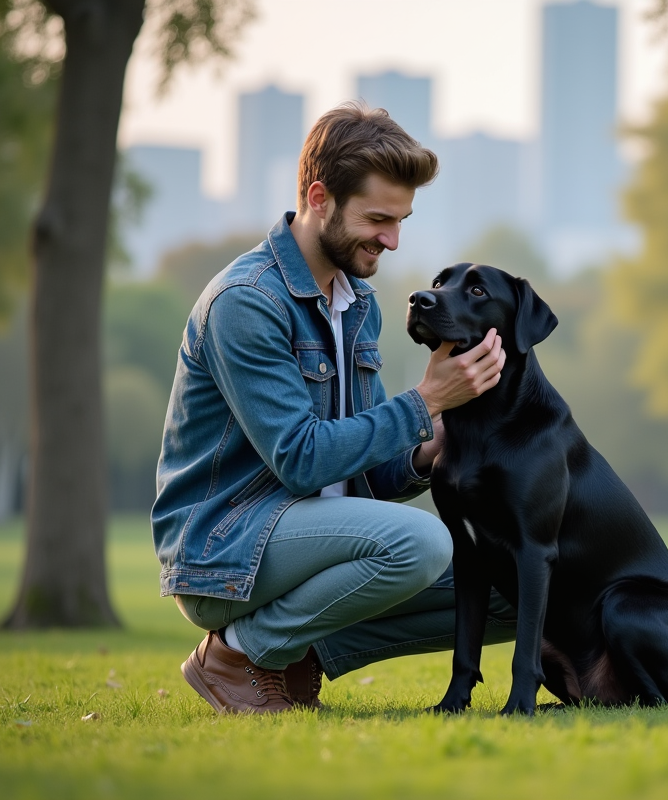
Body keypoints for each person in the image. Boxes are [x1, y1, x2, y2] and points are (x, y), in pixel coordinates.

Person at [152, 103, 515, 714]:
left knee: (509, 581)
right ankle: (237, 654)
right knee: (422, 544)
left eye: (400, 221)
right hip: (226, 550)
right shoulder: (247, 302)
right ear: (320, 198)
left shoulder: (359, 303)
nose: (393, 241)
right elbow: (301, 459)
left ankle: (299, 657)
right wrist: (424, 400)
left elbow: (368, 472)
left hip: (315, 543)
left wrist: (434, 441)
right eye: (378, 219)